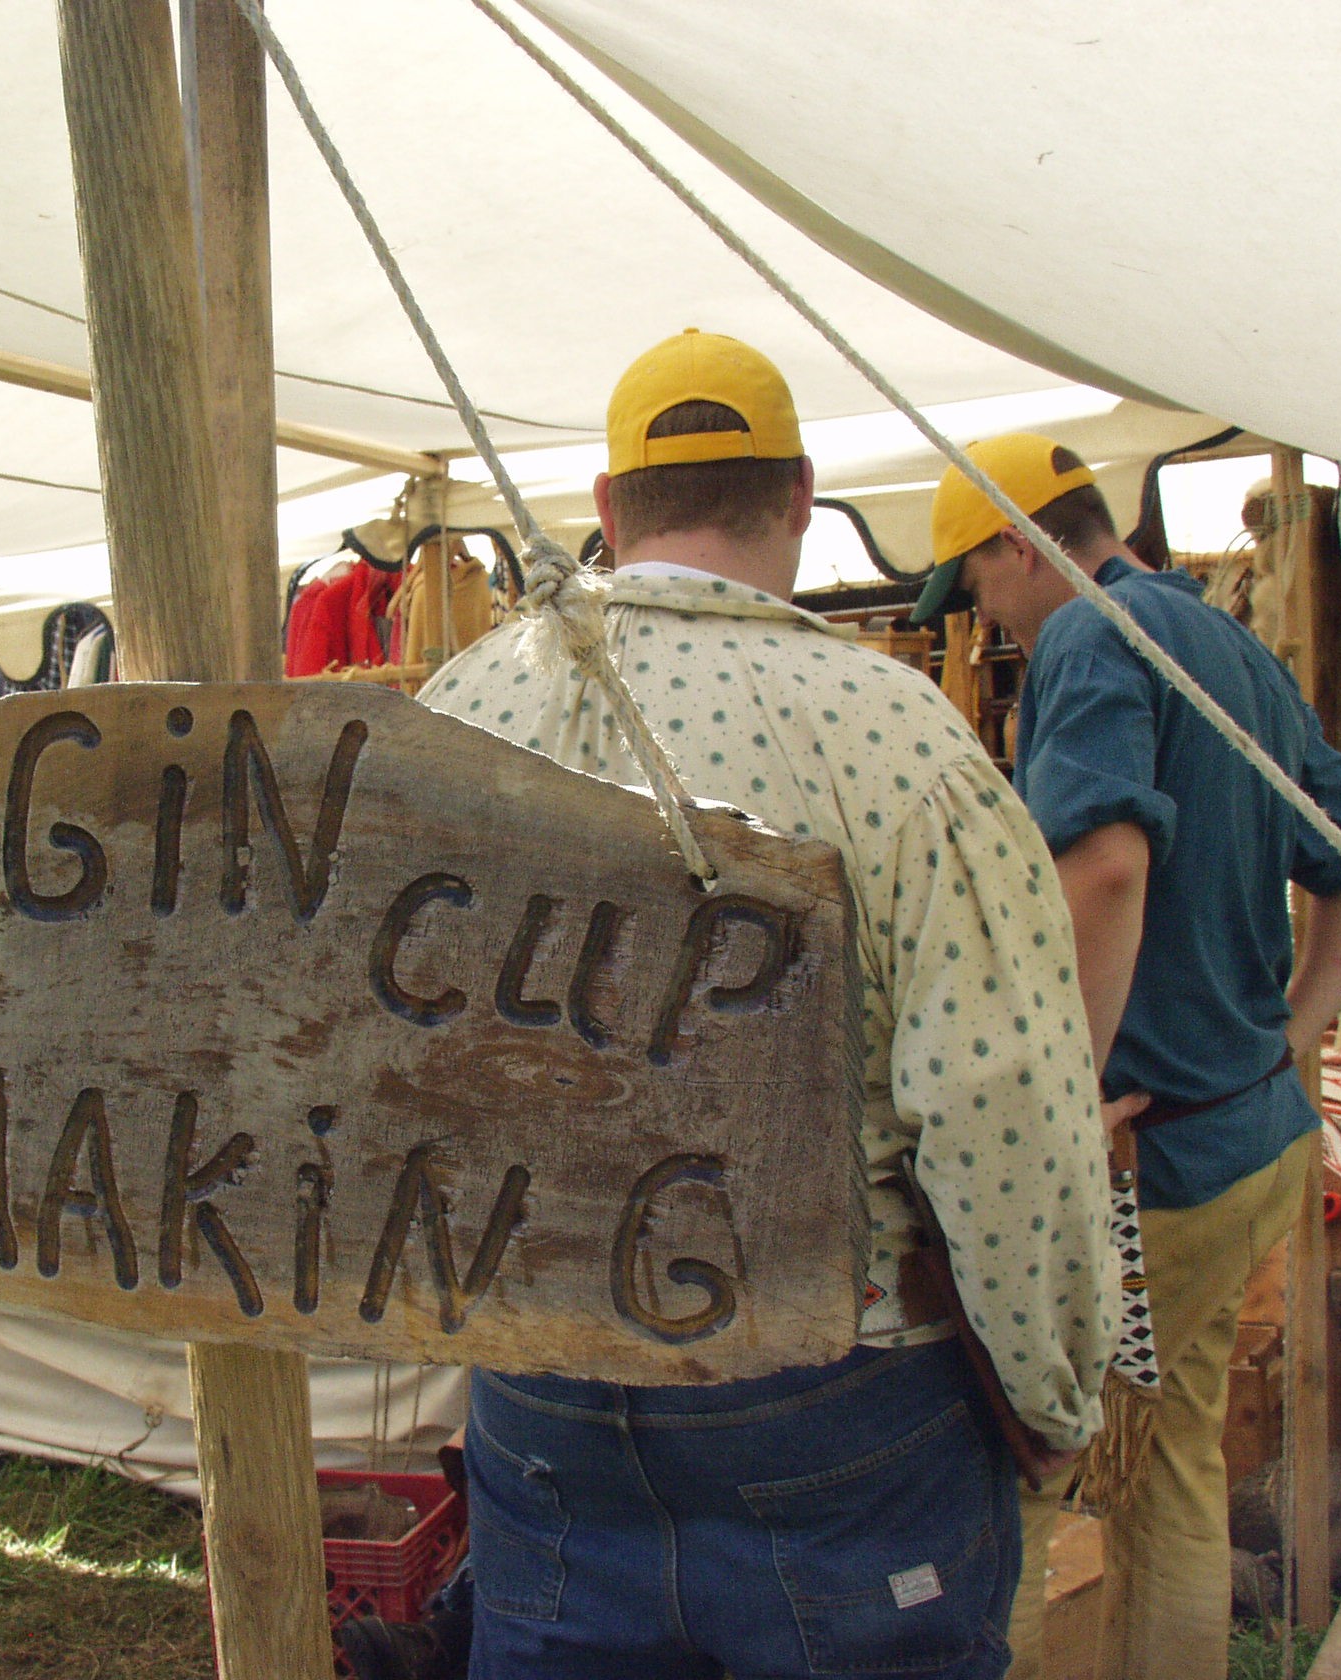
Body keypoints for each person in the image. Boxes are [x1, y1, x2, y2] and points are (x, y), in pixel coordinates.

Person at [414, 331, 1118, 1680]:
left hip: (544, 1388)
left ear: (608, 509)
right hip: (838, 1399)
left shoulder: (457, 711)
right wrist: (1049, 1390)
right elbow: (1005, 1113)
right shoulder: (892, 736)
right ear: (798, 496)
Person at [910, 436, 1341, 1680]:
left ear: (1018, 543)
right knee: (1170, 1469)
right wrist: (1290, 1037)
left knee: (1022, 1478)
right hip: (1249, 1143)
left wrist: (1062, 1103)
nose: (984, 617)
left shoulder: (1087, 635)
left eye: (976, 585)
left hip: (1151, 1171)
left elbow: (1105, 865)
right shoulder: (1223, 643)